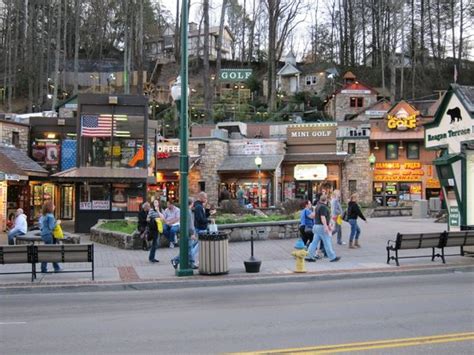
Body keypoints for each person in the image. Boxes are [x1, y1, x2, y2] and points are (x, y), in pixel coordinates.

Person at [306, 195, 341, 263]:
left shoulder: (317, 206)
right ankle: (332, 257)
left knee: (314, 242)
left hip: (316, 226)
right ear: (326, 200)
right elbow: (323, 217)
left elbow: (313, 215)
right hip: (321, 227)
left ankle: (310, 256)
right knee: (327, 242)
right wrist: (326, 227)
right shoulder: (323, 207)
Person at [171, 198, 198, 270]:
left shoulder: (184, 211)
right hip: (188, 233)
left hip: (185, 232)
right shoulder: (188, 212)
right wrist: (192, 233)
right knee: (188, 249)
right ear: (191, 203)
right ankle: (177, 260)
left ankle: (191, 263)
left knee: (188, 249)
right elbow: (190, 224)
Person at [39, 201, 62, 273]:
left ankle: (56, 267)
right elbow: (51, 227)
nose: (54, 206)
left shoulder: (44, 216)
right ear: (50, 207)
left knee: (49, 250)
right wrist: (57, 222)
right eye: (53, 205)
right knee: (50, 251)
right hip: (49, 235)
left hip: (44, 234)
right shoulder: (51, 216)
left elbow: (41, 226)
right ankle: (46, 268)